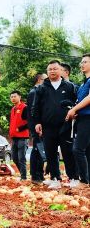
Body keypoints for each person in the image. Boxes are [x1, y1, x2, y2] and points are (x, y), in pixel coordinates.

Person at [33, 59, 78, 189]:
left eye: (55, 68)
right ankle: (55, 178)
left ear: (60, 70)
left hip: (66, 125)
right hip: (47, 127)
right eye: (50, 69)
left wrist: (75, 113)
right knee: (51, 153)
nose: (52, 71)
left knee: (68, 152)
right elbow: (35, 108)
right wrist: (37, 122)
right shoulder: (41, 88)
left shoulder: (69, 87)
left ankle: (73, 177)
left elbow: (76, 104)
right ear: (47, 72)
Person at [66, 54, 90, 186]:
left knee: (78, 149)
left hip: (88, 118)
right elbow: (81, 101)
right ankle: (88, 181)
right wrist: (75, 112)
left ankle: (84, 180)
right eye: (81, 62)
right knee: (87, 150)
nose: (82, 64)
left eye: (85, 62)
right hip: (82, 119)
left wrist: (73, 109)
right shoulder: (82, 85)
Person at [27, 73, 48, 184]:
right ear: (40, 80)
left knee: (37, 150)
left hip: (36, 126)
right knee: (39, 150)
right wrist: (37, 125)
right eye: (46, 79)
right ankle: (37, 176)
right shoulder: (34, 92)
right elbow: (33, 111)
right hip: (37, 127)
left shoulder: (35, 92)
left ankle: (37, 175)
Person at [9, 90, 29, 180]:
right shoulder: (13, 109)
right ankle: (22, 174)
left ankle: (24, 177)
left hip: (23, 137)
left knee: (21, 158)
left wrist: (20, 129)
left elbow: (30, 122)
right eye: (11, 97)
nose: (13, 98)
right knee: (14, 158)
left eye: (15, 96)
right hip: (14, 137)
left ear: (19, 97)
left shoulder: (24, 107)